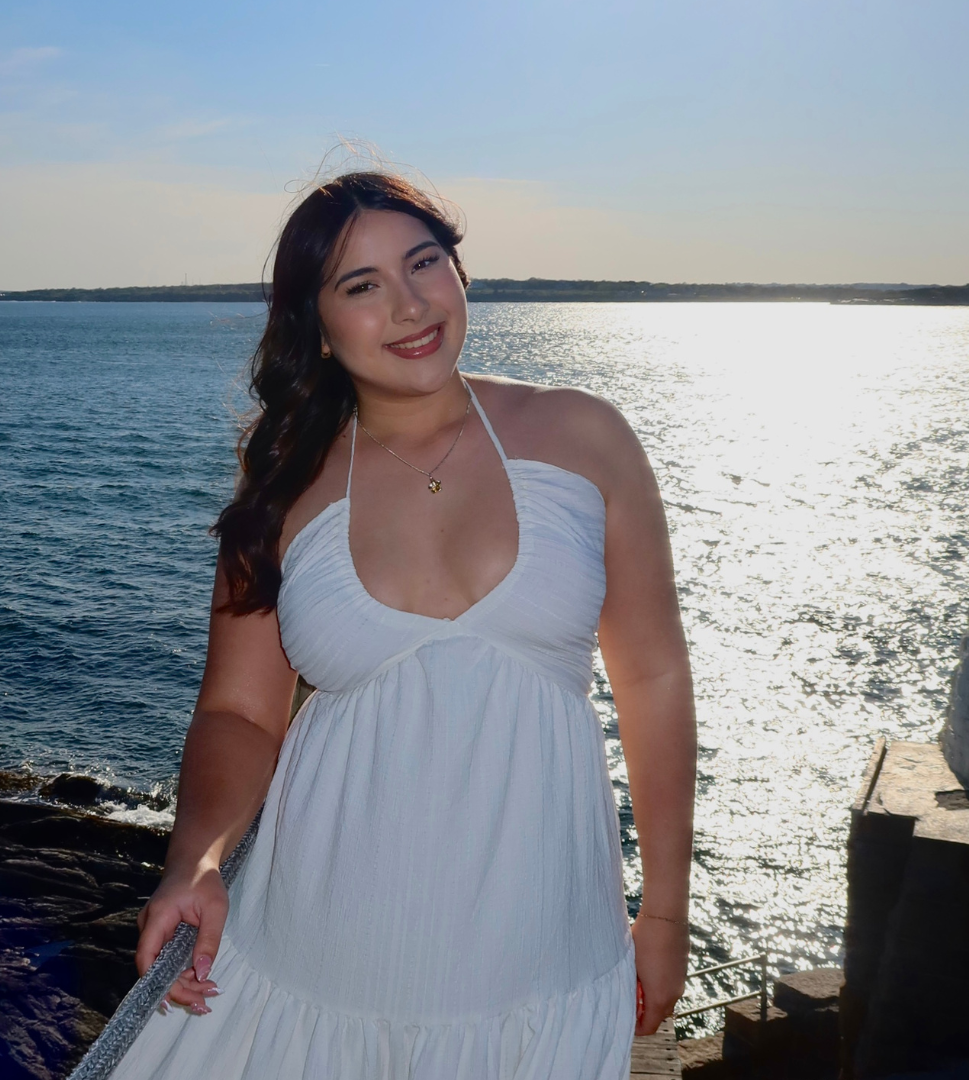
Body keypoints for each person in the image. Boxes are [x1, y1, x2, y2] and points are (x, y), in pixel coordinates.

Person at [113, 170, 696, 1079]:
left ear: (461, 273)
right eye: (362, 285)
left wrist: (663, 914)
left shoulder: (584, 436)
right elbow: (239, 715)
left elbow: (653, 677)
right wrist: (195, 862)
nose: (409, 303)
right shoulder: (282, 491)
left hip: (543, 961)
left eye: (424, 263)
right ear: (317, 323)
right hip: (314, 963)